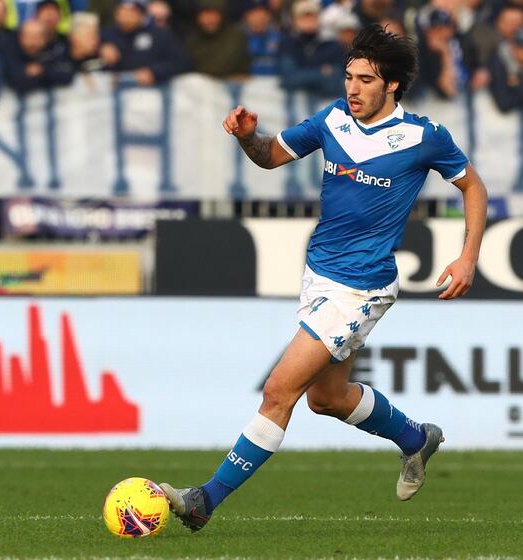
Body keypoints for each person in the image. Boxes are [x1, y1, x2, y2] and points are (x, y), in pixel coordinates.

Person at [159, 24, 488, 532]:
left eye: (365, 80)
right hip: (319, 274)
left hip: (362, 286)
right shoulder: (332, 120)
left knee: (278, 390)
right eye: (348, 77)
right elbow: (272, 156)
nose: (352, 89)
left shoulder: (424, 136)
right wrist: (249, 137)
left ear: (392, 85)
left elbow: (474, 188)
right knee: (327, 399)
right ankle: (415, 439)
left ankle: (206, 499)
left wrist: (467, 256)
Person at [100, 0, 191, 85]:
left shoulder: (160, 34)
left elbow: (182, 63)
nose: (127, 14)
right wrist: (100, 50)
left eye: (133, 11)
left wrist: (153, 72)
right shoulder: (104, 35)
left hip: (153, 89)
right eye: (123, 10)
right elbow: (89, 64)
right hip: (115, 88)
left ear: (142, 15)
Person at [2, 18, 74, 93]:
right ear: (21, 38)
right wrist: (49, 78)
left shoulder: (53, 52)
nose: (33, 41)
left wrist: (41, 70)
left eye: (38, 36)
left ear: (45, 38)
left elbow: (66, 75)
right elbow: (18, 83)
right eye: (29, 36)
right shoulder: (11, 54)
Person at [185, 0, 250, 78]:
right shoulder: (192, 38)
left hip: (232, 85)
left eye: (214, 14)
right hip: (200, 84)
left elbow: (225, 67)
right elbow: (186, 66)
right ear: (198, 17)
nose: (210, 20)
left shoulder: (236, 35)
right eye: (205, 15)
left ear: (222, 15)